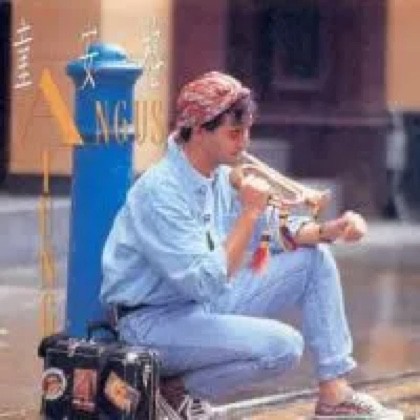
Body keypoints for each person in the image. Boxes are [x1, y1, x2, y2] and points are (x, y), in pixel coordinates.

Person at [100, 71, 403, 420]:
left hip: (199, 307)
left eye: (247, 131)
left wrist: (329, 230)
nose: (244, 143)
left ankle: (335, 394)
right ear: (198, 130)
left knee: (314, 260)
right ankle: (171, 391)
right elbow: (204, 282)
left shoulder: (214, 174)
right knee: (282, 347)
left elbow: (271, 228)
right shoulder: (161, 192)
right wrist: (249, 212)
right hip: (150, 323)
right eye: (234, 133)